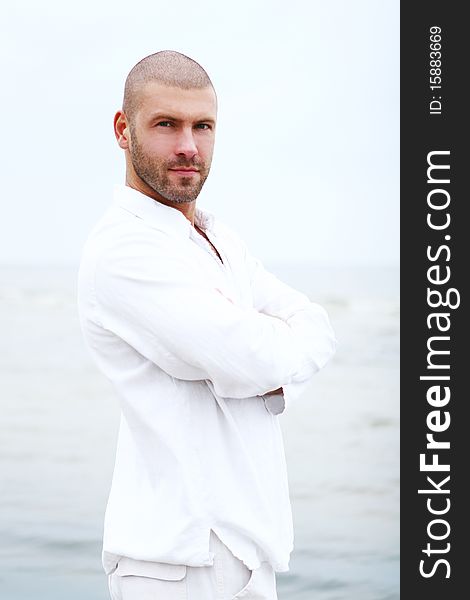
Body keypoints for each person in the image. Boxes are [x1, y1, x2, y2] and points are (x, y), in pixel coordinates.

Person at [77, 50, 337, 600]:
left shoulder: (219, 236)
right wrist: (263, 358)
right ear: (124, 130)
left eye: (203, 126)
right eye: (166, 124)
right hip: (176, 562)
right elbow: (250, 357)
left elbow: (317, 327)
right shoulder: (123, 250)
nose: (188, 146)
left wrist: (263, 361)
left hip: (245, 552)